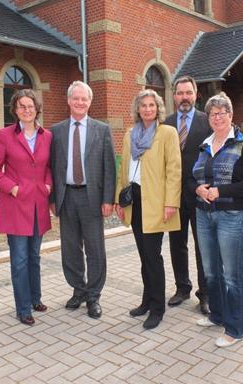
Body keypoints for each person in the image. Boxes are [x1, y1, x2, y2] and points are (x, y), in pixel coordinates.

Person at [189, 92, 243, 347]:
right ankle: (217, 315)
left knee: (232, 274)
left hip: (233, 216)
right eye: (212, 113)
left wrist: (222, 191)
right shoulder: (205, 144)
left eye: (222, 112)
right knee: (211, 272)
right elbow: (192, 177)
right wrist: (197, 189)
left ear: (231, 116)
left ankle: (235, 329)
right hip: (204, 215)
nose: (217, 117)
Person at [49, 81, 117, 319]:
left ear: (90, 102)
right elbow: (52, 167)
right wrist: (52, 198)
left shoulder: (102, 129)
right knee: (70, 248)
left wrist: (109, 198)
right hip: (66, 196)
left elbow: (110, 167)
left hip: (92, 197)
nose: (79, 103)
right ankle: (78, 289)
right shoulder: (55, 131)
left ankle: (93, 296)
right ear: (68, 101)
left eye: (84, 99)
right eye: (75, 98)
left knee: (95, 248)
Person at [115, 89, 181, 330]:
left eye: (152, 105)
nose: (147, 109)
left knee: (153, 256)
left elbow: (174, 170)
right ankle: (146, 300)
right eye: (143, 105)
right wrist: (118, 201)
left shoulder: (167, 133)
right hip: (135, 200)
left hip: (156, 201)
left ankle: (157, 307)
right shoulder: (130, 134)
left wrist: (171, 202)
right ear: (137, 109)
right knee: (144, 256)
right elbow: (122, 168)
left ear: (158, 108)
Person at [0, 89, 52, 326]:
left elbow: (49, 167)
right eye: (22, 106)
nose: (27, 110)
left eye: (31, 106)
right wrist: (11, 187)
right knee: (20, 259)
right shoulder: (5, 135)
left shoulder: (47, 136)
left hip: (38, 205)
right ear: (15, 110)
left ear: (37, 109)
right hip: (16, 205)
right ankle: (23, 308)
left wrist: (47, 184)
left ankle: (35, 299)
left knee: (34, 256)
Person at [163, 76, 211, 314]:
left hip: (200, 195)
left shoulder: (208, 121)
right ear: (174, 95)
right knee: (176, 243)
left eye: (188, 93)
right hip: (173, 195)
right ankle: (182, 288)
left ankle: (205, 294)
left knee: (203, 245)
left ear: (196, 94)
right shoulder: (166, 123)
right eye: (180, 93)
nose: (184, 97)